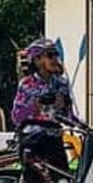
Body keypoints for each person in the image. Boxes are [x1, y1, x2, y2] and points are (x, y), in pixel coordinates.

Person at [11, 38, 74, 174]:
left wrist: (64, 106)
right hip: (32, 139)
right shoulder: (27, 84)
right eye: (50, 55)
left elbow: (67, 116)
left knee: (62, 182)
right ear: (37, 60)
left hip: (54, 138)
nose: (54, 59)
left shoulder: (62, 83)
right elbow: (16, 116)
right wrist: (36, 105)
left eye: (56, 55)